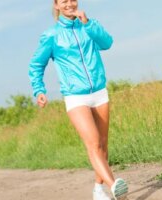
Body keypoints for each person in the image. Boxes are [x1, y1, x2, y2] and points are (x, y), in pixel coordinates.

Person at [28, 0, 128, 199]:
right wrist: (39, 89)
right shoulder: (52, 35)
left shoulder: (88, 25)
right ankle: (114, 185)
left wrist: (88, 23)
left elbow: (107, 43)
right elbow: (36, 65)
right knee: (93, 143)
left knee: (103, 144)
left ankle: (98, 190)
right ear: (56, 6)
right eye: (64, 1)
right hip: (75, 95)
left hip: (99, 92)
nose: (69, 4)